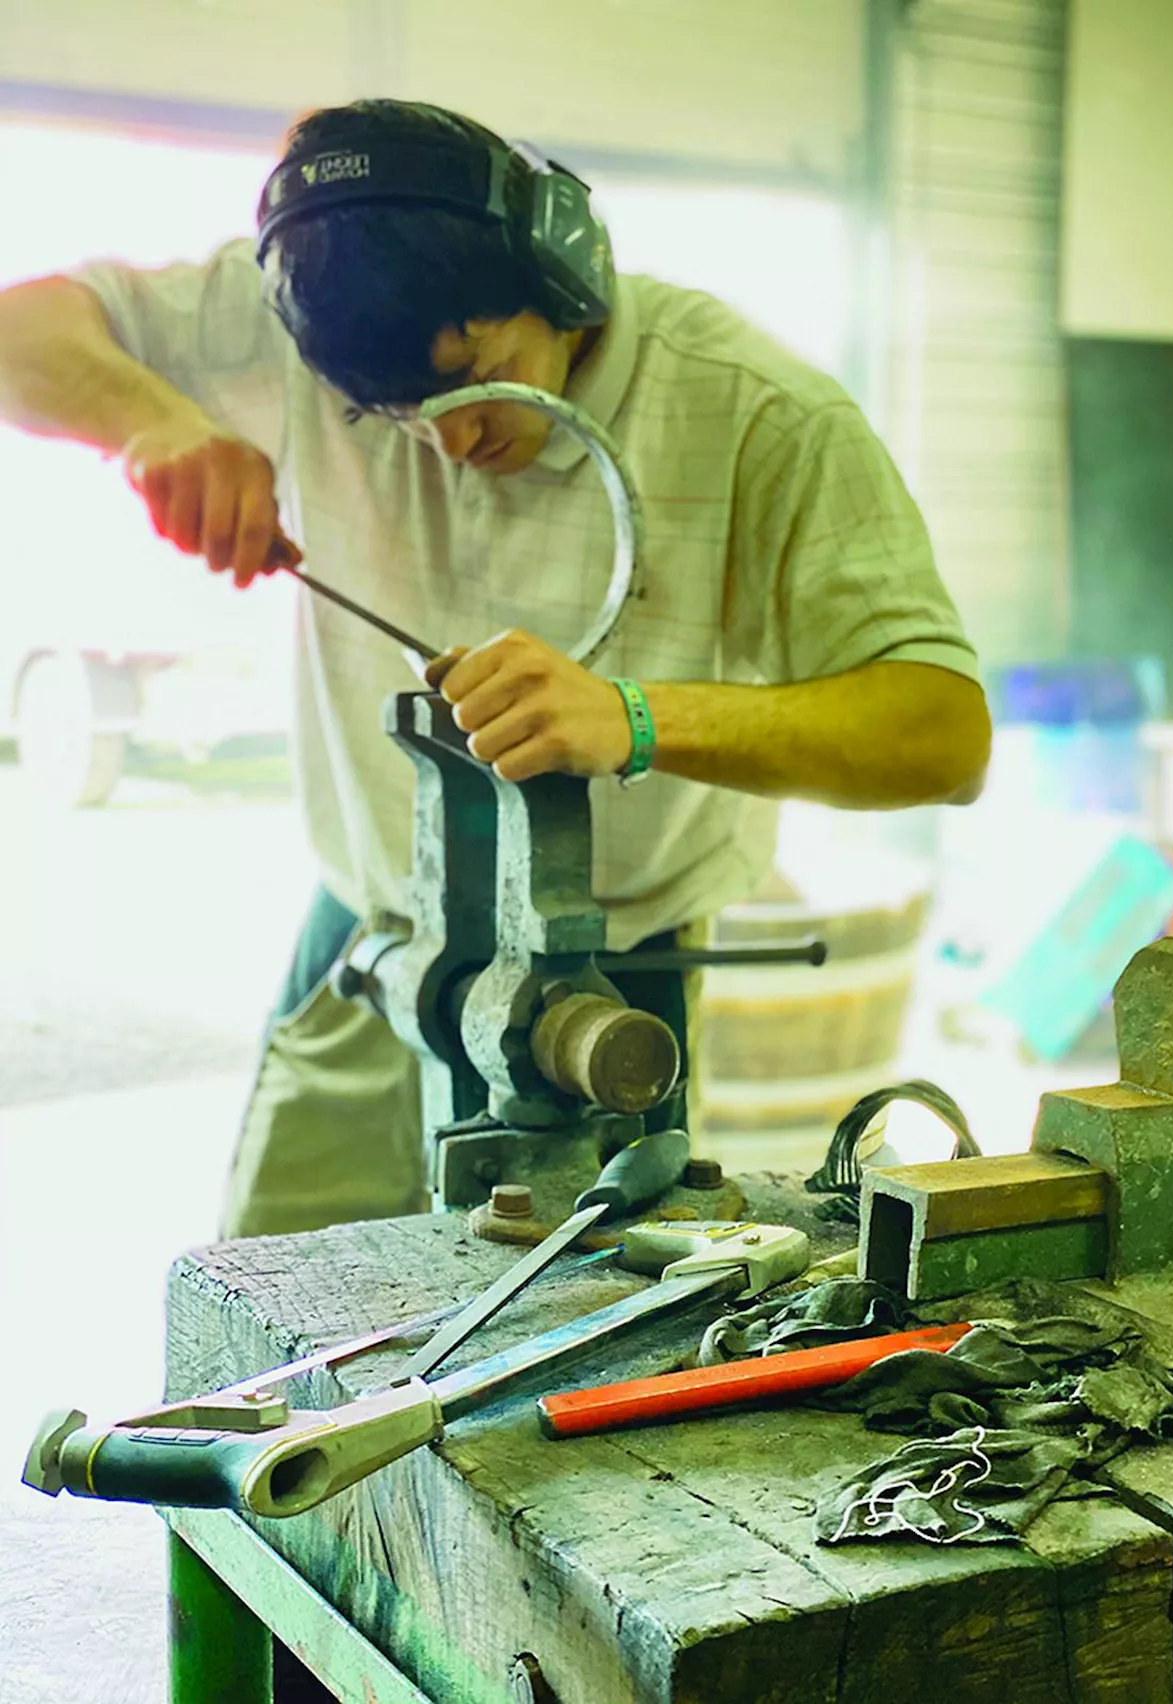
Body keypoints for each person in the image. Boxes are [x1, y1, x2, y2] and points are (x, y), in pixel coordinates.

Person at [0, 100, 991, 1238]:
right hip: (367, 948)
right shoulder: (298, 320)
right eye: (387, 416)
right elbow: (21, 327)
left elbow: (939, 730)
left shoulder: (757, 410)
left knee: (565, 1350)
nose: (447, 442)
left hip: (610, 988)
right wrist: (148, 422)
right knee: (265, 1335)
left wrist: (634, 719)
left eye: (475, 379)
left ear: (560, 278)